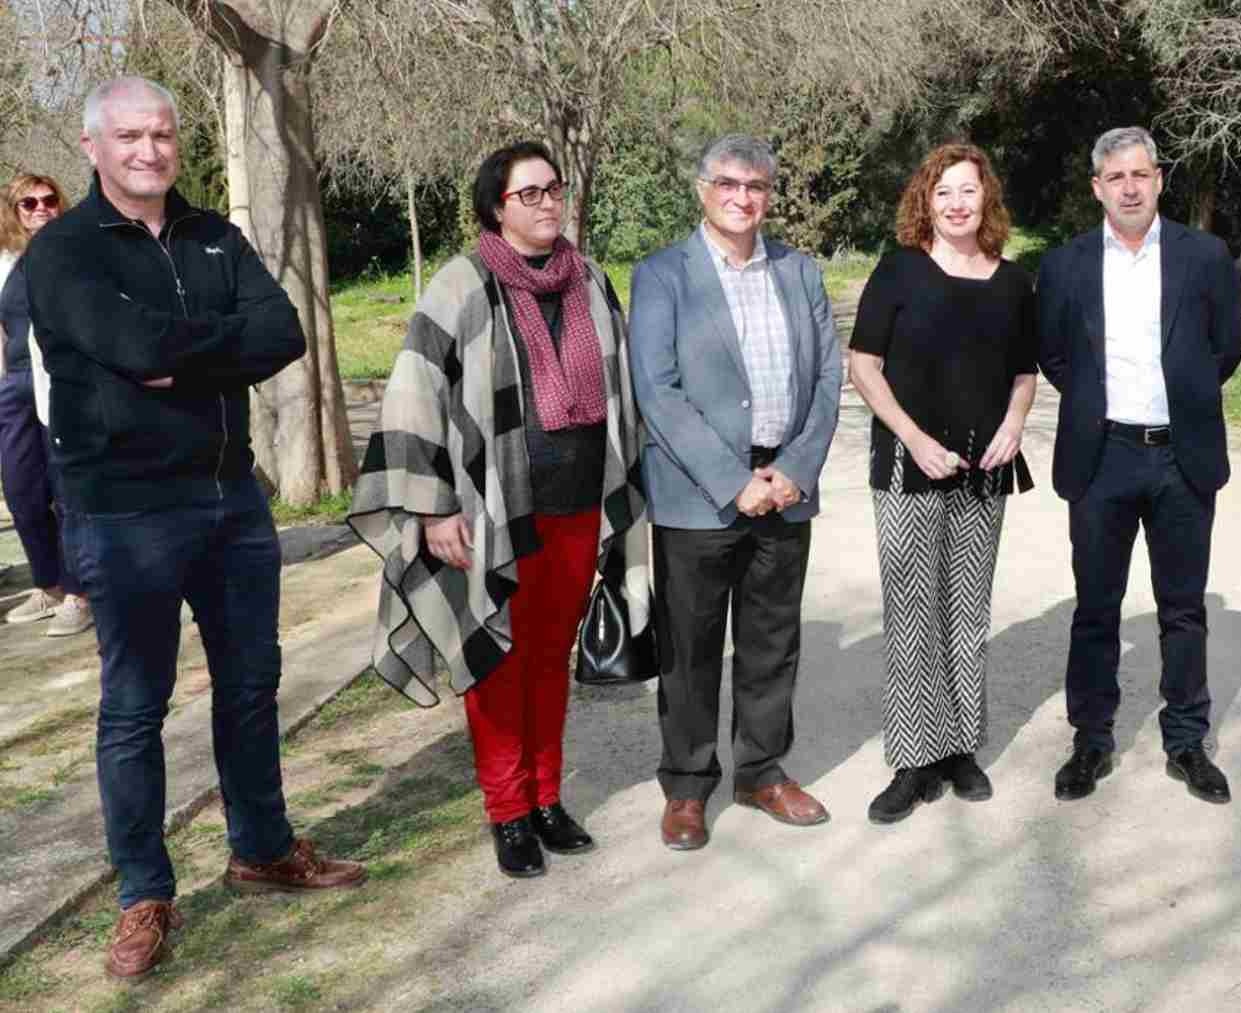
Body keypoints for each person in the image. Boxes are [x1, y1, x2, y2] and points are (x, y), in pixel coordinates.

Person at [27, 76, 365, 981]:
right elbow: (128, 347)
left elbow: (283, 331)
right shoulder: (60, 254)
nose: (150, 150)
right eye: (130, 136)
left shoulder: (216, 234)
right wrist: (212, 348)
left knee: (252, 683)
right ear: (93, 146)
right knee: (135, 708)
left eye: (164, 134)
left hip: (231, 500)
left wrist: (182, 358)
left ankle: (261, 847)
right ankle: (145, 890)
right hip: (125, 512)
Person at [349, 141, 649, 880]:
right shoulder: (462, 286)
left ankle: (548, 798)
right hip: (493, 511)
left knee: (550, 657)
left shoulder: (592, 281)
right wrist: (432, 507)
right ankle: (507, 810)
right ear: (496, 207)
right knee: (494, 660)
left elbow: (624, 393)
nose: (548, 203)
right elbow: (414, 394)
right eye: (529, 194)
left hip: (578, 506)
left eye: (554, 189)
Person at [629, 134, 842, 851]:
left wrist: (795, 469)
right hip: (700, 496)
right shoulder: (663, 276)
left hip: (785, 489)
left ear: (769, 196)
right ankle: (687, 787)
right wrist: (732, 480)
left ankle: (761, 770)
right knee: (689, 647)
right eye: (728, 184)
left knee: (771, 641)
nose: (742, 198)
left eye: (755, 186)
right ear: (701, 190)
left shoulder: (801, 272)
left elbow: (826, 381)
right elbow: (657, 392)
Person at [1036, 126, 1241, 804]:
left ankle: (1187, 739)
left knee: (1183, 607)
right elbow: (1056, 357)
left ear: (1159, 179)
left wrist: (1179, 399)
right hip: (1102, 457)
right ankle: (1091, 739)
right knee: (1096, 606)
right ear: (1096, 186)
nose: (1129, 187)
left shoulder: (1205, 256)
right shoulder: (1066, 265)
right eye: (1115, 177)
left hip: (1181, 456)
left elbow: (1226, 349)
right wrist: (1102, 404)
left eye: (1140, 174)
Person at [847, 142, 1037, 823]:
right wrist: (914, 438)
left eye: (968, 190)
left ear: (986, 199)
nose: (957, 203)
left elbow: (1024, 372)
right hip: (908, 467)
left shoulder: (1014, 282)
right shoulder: (900, 271)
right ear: (925, 201)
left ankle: (959, 748)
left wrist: (1014, 424)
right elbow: (863, 365)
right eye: (944, 192)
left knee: (967, 612)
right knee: (911, 614)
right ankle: (913, 758)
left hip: (983, 472)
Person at [0, 171, 92, 637]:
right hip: (14, 385)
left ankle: (79, 594)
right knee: (21, 489)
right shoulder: (6, 261)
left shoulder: (79, 250)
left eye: (48, 200)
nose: (40, 209)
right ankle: (49, 584)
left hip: (61, 384)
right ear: (14, 212)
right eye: (28, 203)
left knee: (67, 489)